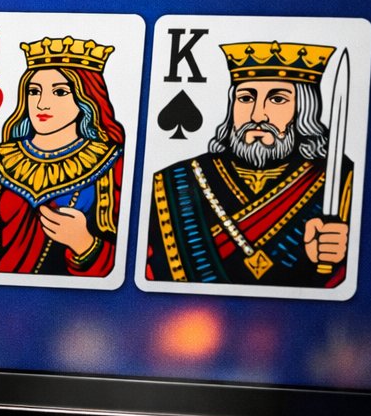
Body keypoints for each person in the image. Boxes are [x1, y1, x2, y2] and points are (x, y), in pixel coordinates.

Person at [145, 40, 352, 287]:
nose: (257, 115)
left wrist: (332, 263)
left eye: (277, 99)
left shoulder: (340, 180)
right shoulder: (173, 181)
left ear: (304, 110)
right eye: (246, 98)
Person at [0, 36, 124, 277]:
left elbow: (130, 263)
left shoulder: (112, 164)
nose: (42, 103)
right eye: (34, 91)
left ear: (86, 98)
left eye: (59, 92)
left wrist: (85, 244)